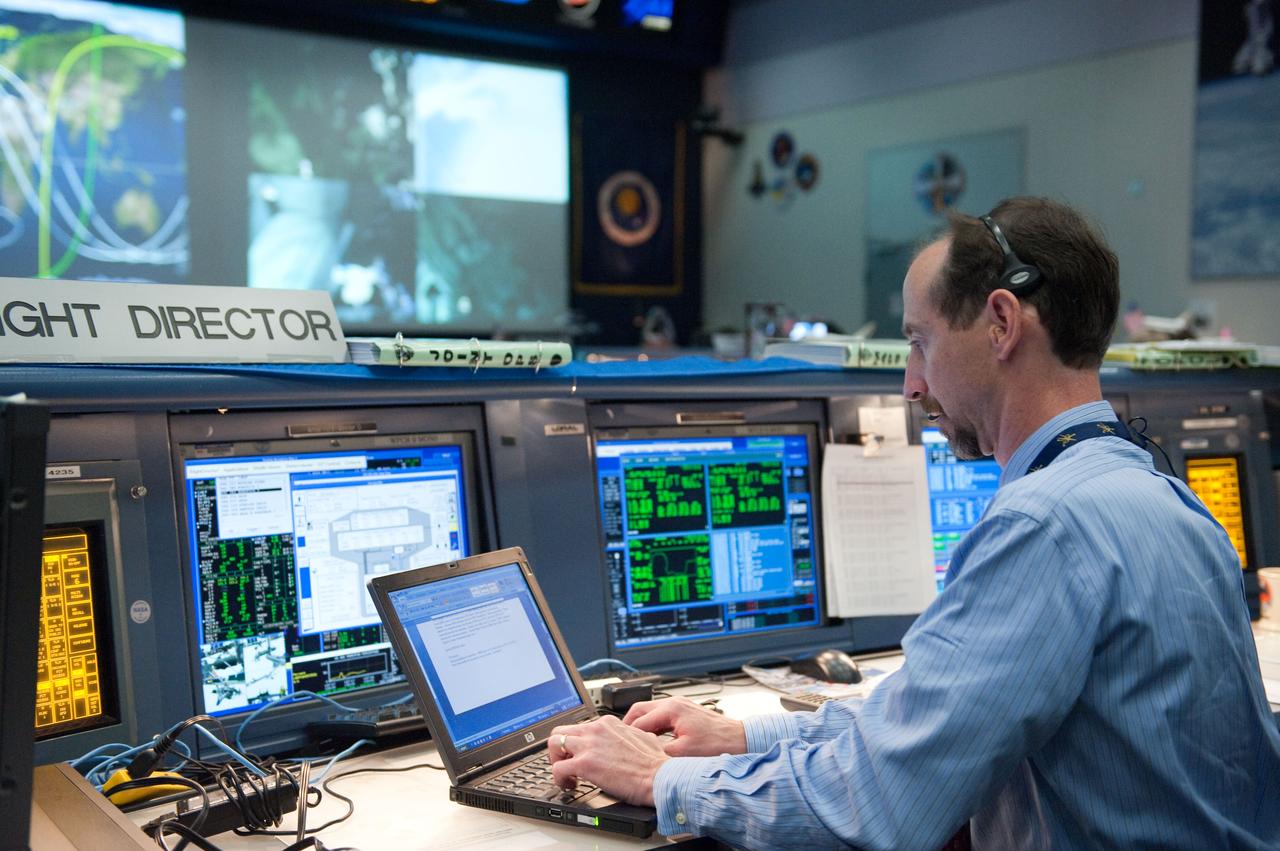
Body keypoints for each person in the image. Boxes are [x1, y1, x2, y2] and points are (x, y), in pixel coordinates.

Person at [549, 197, 1280, 848]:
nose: (910, 382)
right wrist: (742, 733)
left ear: (1000, 322)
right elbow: (931, 718)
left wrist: (663, 783)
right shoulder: (1167, 497)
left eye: (920, 340)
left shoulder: (1042, 526)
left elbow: (882, 801)